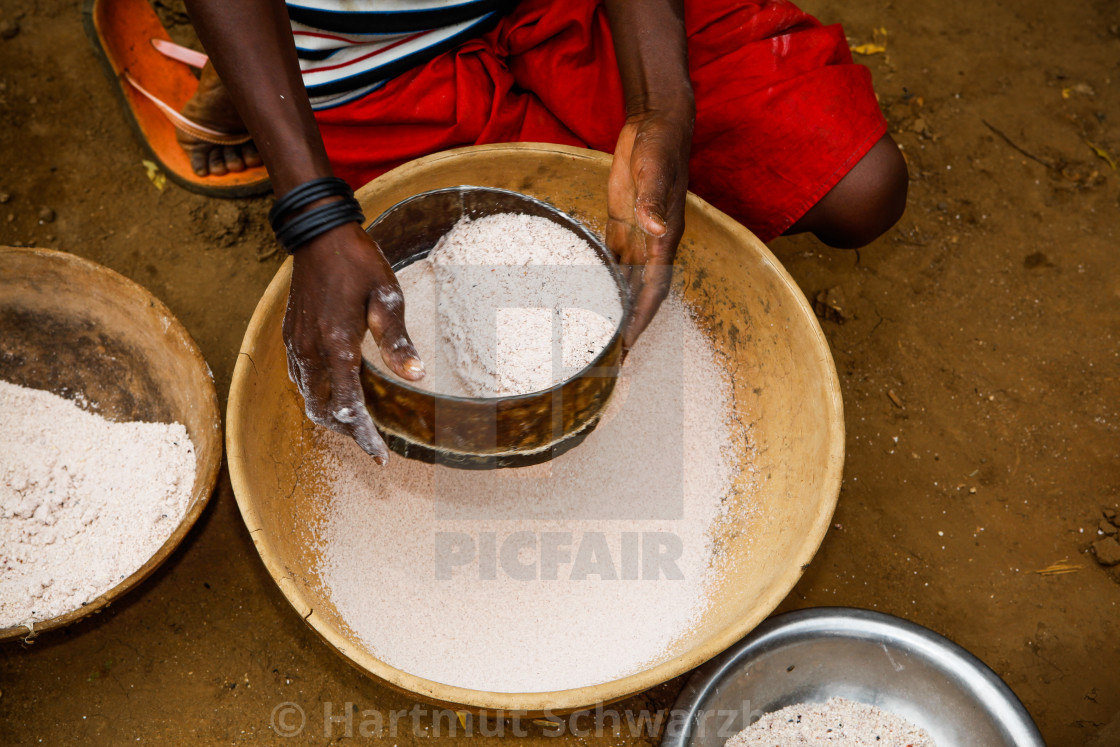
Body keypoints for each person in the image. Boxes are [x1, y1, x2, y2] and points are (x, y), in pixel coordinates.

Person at [178, 0, 907, 462]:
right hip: (375, 54)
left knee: (860, 188)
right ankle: (270, 76)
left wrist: (661, 108)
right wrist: (312, 207)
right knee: (458, 222)